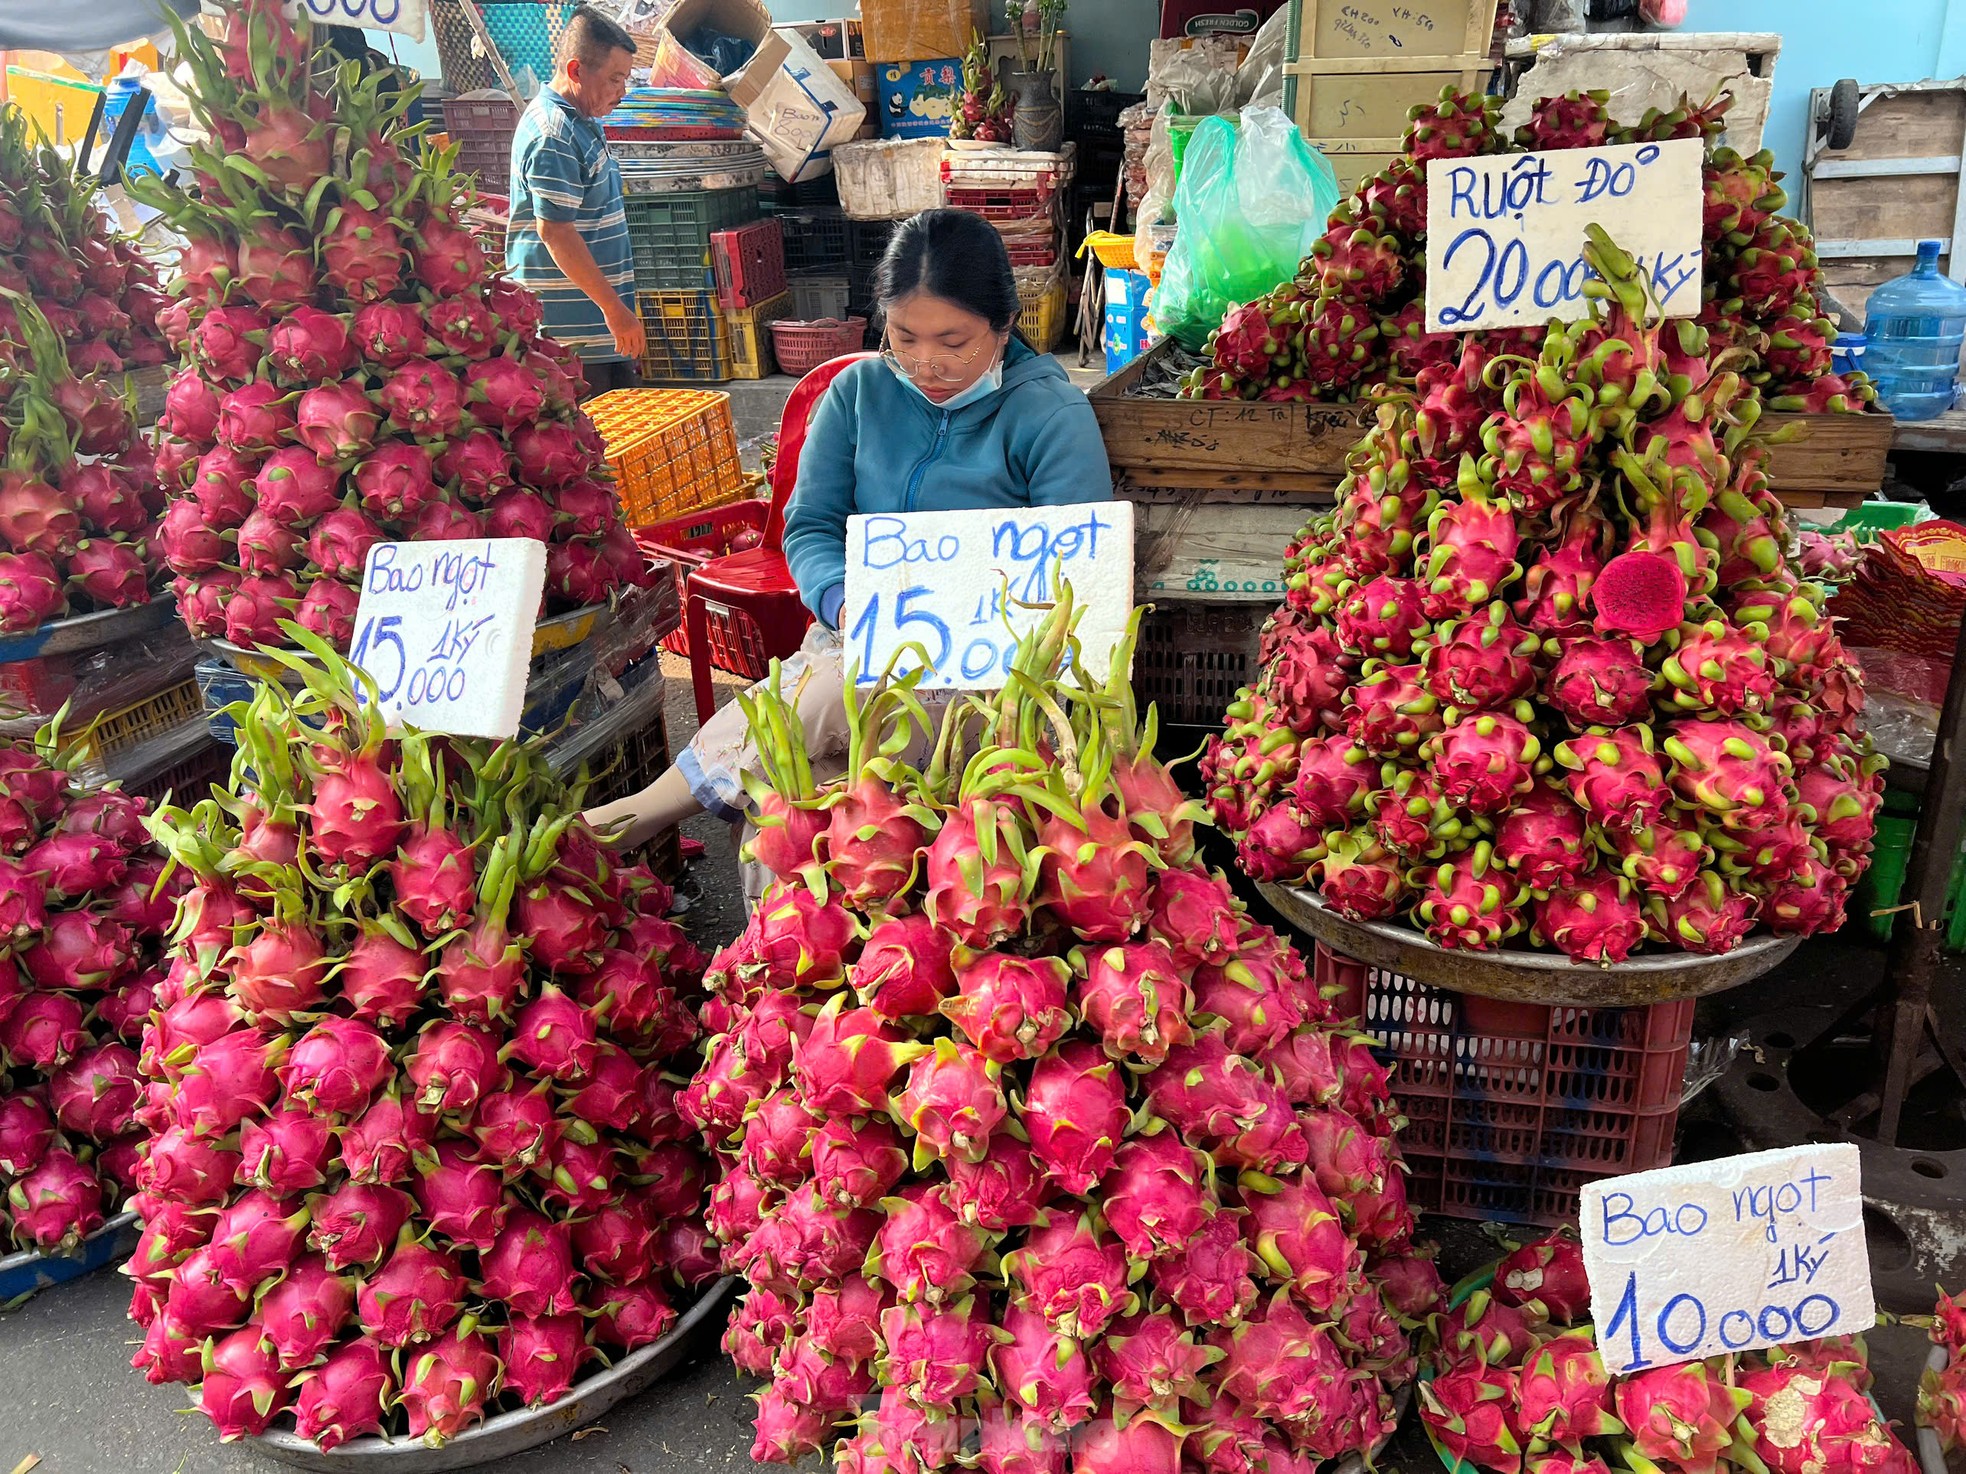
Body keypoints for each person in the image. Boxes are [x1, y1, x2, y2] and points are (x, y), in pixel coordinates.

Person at [588, 208, 1113, 895]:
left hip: (997, 678)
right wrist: (841, 597)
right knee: (788, 801)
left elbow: (1081, 575)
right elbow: (810, 526)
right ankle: (768, 979)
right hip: (855, 634)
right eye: (904, 337)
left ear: (1006, 324)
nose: (927, 362)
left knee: (828, 699)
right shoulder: (857, 394)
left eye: (954, 341)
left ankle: (638, 814)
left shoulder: (1050, 415)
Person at [506, 5, 645, 398]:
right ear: (576, 70)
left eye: (626, 79)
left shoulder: (581, 120)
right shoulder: (554, 135)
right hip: (571, 339)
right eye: (615, 79)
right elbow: (556, 232)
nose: (622, 91)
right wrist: (615, 312)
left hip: (598, 329)